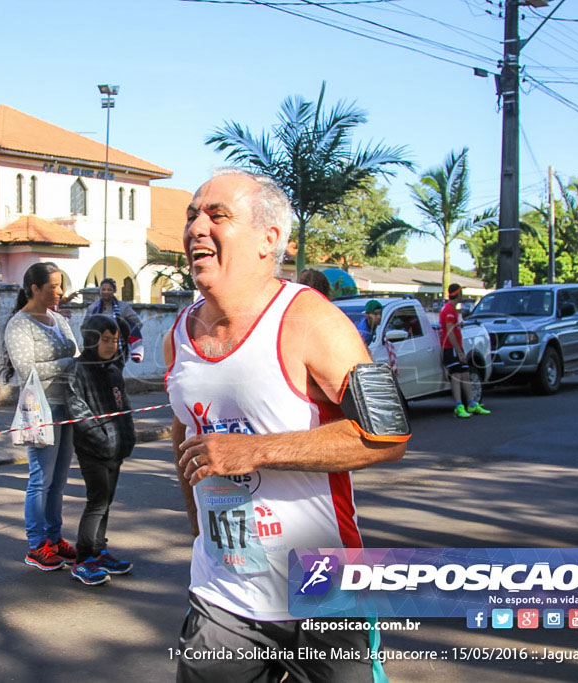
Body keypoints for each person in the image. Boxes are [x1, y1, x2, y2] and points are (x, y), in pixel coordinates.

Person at [164, 169, 408, 682]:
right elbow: (185, 431)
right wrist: (198, 526)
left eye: (218, 215)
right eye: (191, 216)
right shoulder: (177, 336)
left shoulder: (311, 320)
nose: (196, 228)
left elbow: (387, 434)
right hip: (223, 595)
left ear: (268, 239)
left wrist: (254, 451)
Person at [2, 262, 79, 571]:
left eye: (60, 286)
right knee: (40, 480)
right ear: (34, 289)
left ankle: (54, 536)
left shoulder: (59, 320)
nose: (59, 292)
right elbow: (28, 370)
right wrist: (65, 362)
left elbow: (77, 353)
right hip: (40, 409)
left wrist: (67, 360)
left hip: (68, 406)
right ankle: (36, 545)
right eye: (53, 287)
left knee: (59, 481)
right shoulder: (18, 325)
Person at [67, 314, 137, 586]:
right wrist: (103, 439)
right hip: (93, 451)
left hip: (116, 450)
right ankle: (83, 559)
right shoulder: (77, 371)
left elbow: (125, 407)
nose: (111, 345)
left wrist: (127, 438)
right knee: (96, 503)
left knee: (106, 502)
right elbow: (78, 412)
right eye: (105, 340)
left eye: (115, 340)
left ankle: (99, 550)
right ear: (91, 339)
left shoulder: (113, 370)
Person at [440, 284, 490, 419]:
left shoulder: (453, 311)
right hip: (451, 348)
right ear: (458, 294)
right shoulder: (449, 311)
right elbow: (450, 332)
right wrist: (459, 352)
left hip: (456, 347)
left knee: (466, 375)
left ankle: (471, 403)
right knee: (457, 376)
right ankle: (458, 405)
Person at [83, 278, 144, 364]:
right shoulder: (93, 308)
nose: (106, 292)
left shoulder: (123, 307)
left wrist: (124, 334)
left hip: (118, 349)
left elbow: (137, 323)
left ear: (114, 291)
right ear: (100, 291)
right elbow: (85, 327)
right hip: (97, 349)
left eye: (109, 289)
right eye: (103, 289)